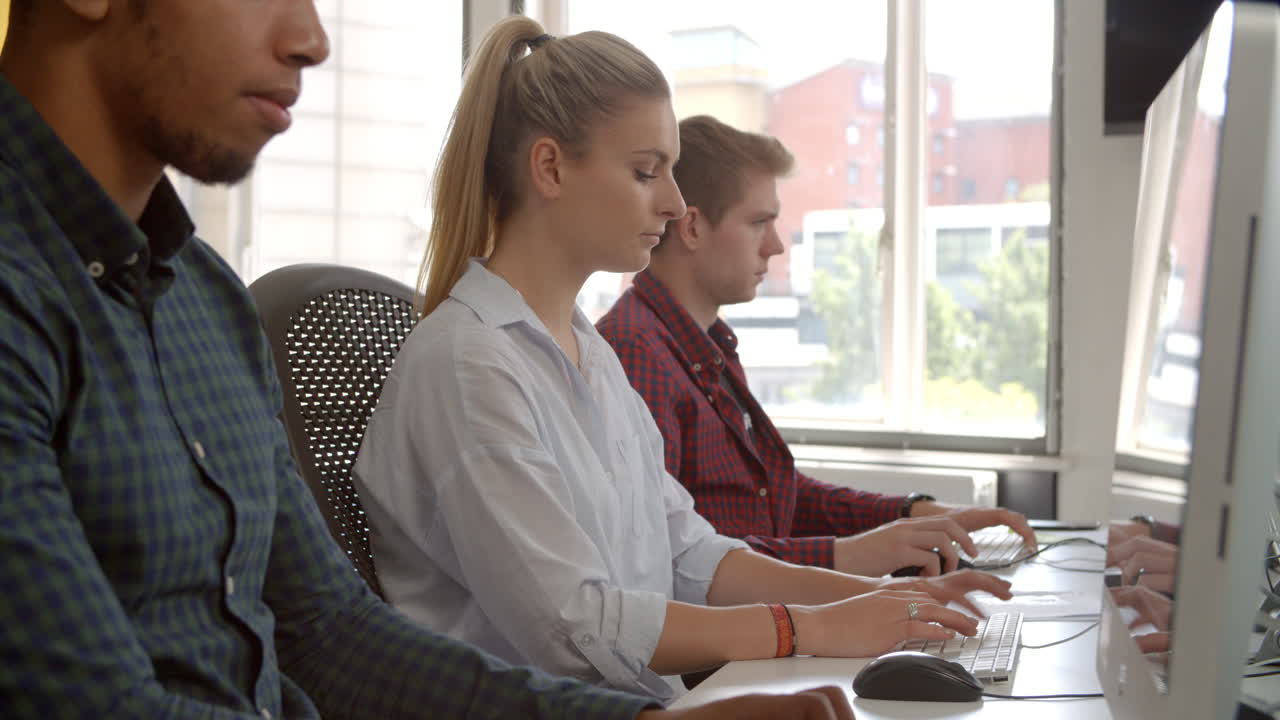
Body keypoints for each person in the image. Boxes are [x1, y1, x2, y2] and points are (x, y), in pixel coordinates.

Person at [0, 1, 858, 717]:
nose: (312, 39)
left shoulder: (205, 302)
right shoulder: (23, 294)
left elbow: (327, 632)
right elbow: (94, 702)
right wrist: (797, 627)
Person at [353, 14, 1013, 704]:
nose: (673, 204)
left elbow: (690, 553)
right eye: (646, 172)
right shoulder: (468, 365)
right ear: (550, 168)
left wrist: (877, 600)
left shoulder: (588, 354)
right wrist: (808, 627)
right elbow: (575, 625)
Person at [595, 114, 1037, 579]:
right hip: (737, 624)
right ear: (692, 228)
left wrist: (912, 515)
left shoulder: (705, 344)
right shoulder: (636, 353)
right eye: (759, 223)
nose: (776, 246)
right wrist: (851, 556)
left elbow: (779, 498)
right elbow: (672, 560)